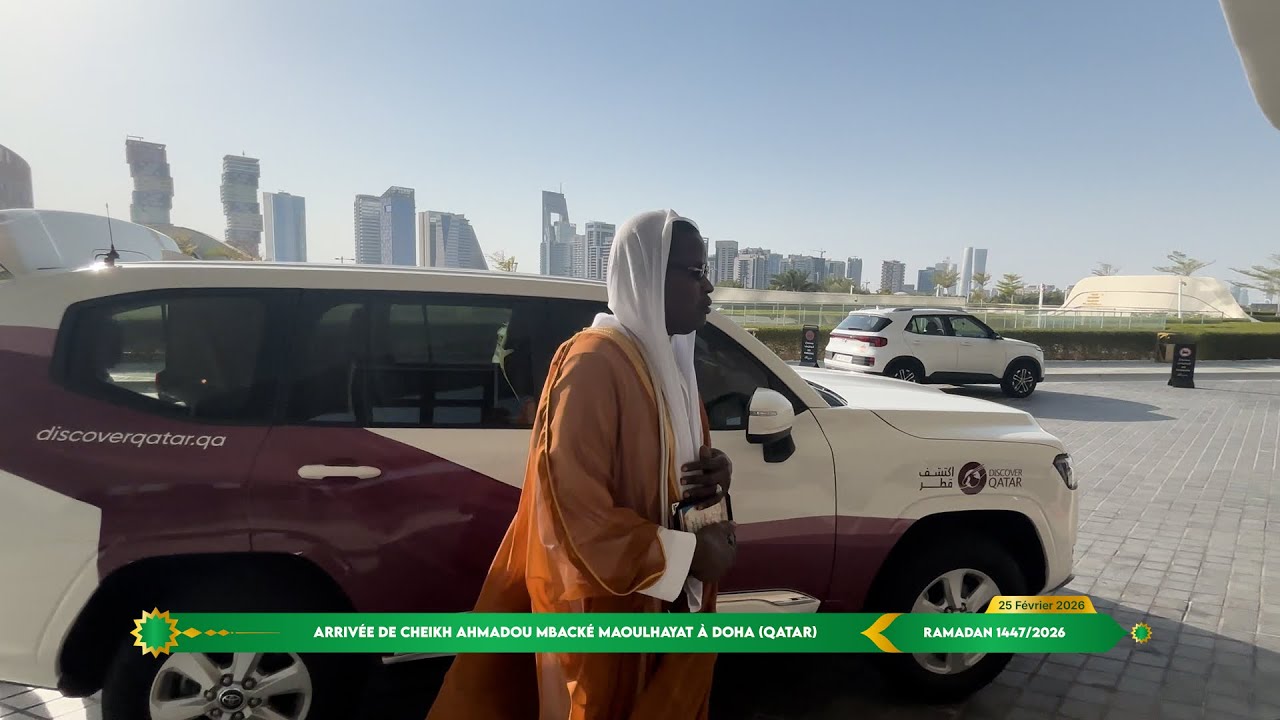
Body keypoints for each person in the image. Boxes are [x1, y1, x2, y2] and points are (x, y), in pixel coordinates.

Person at [425, 209, 739, 719]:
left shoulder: (674, 368)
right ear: (647, 275)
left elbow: (670, 472)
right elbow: (573, 510)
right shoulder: (593, 362)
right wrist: (683, 558)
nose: (709, 288)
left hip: (666, 607)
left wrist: (718, 476)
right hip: (605, 616)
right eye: (695, 272)